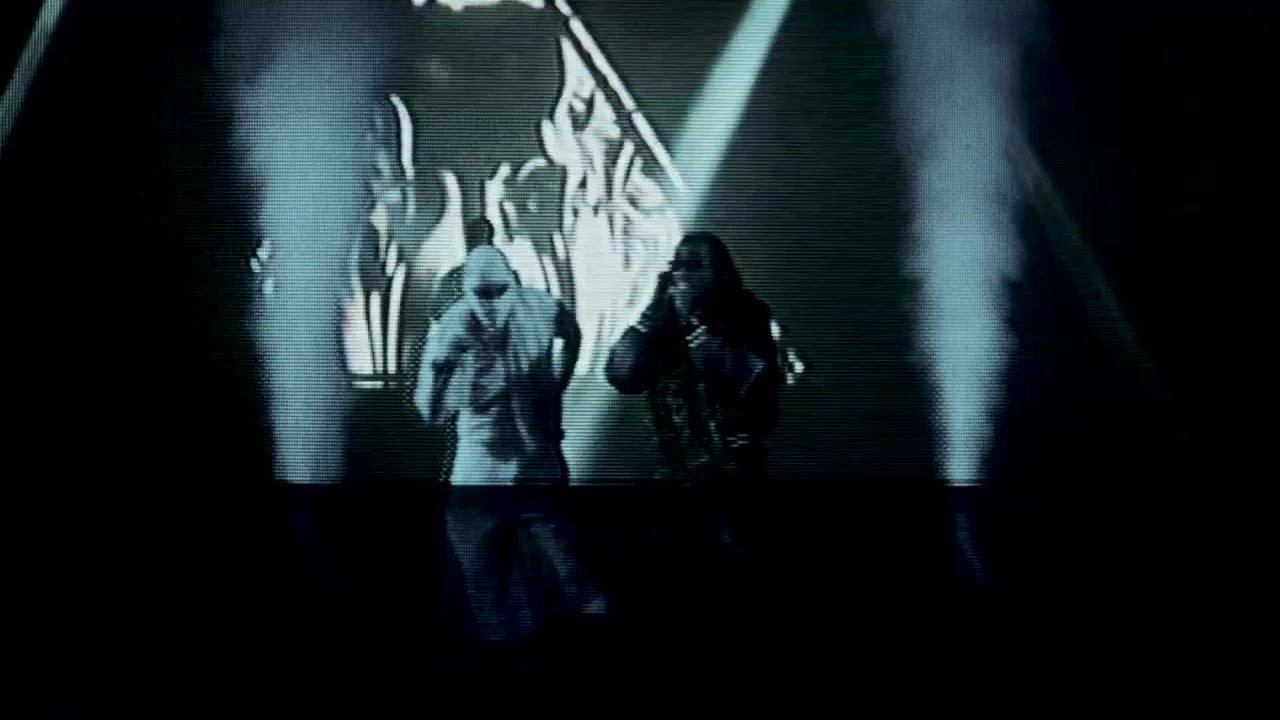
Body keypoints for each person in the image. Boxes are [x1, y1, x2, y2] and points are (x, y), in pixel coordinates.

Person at [605, 231, 781, 484]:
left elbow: (754, 383)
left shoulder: (747, 314)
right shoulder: (661, 323)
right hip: (673, 467)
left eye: (695, 265)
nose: (682, 274)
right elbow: (621, 376)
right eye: (677, 265)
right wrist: (653, 312)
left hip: (732, 466)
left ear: (719, 272)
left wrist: (701, 330)